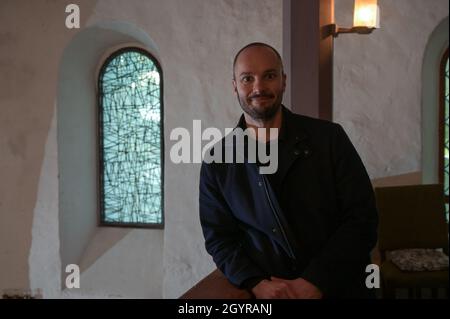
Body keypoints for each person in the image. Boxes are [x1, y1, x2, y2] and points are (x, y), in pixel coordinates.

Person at [199, 42, 378, 299]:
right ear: (234, 86)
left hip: (340, 289)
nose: (259, 88)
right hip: (270, 295)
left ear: (283, 81)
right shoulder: (217, 161)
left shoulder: (330, 139)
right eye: (248, 78)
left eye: (269, 76)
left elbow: (362, 219)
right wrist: (256, 283)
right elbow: (220, 240)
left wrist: (314, 282)